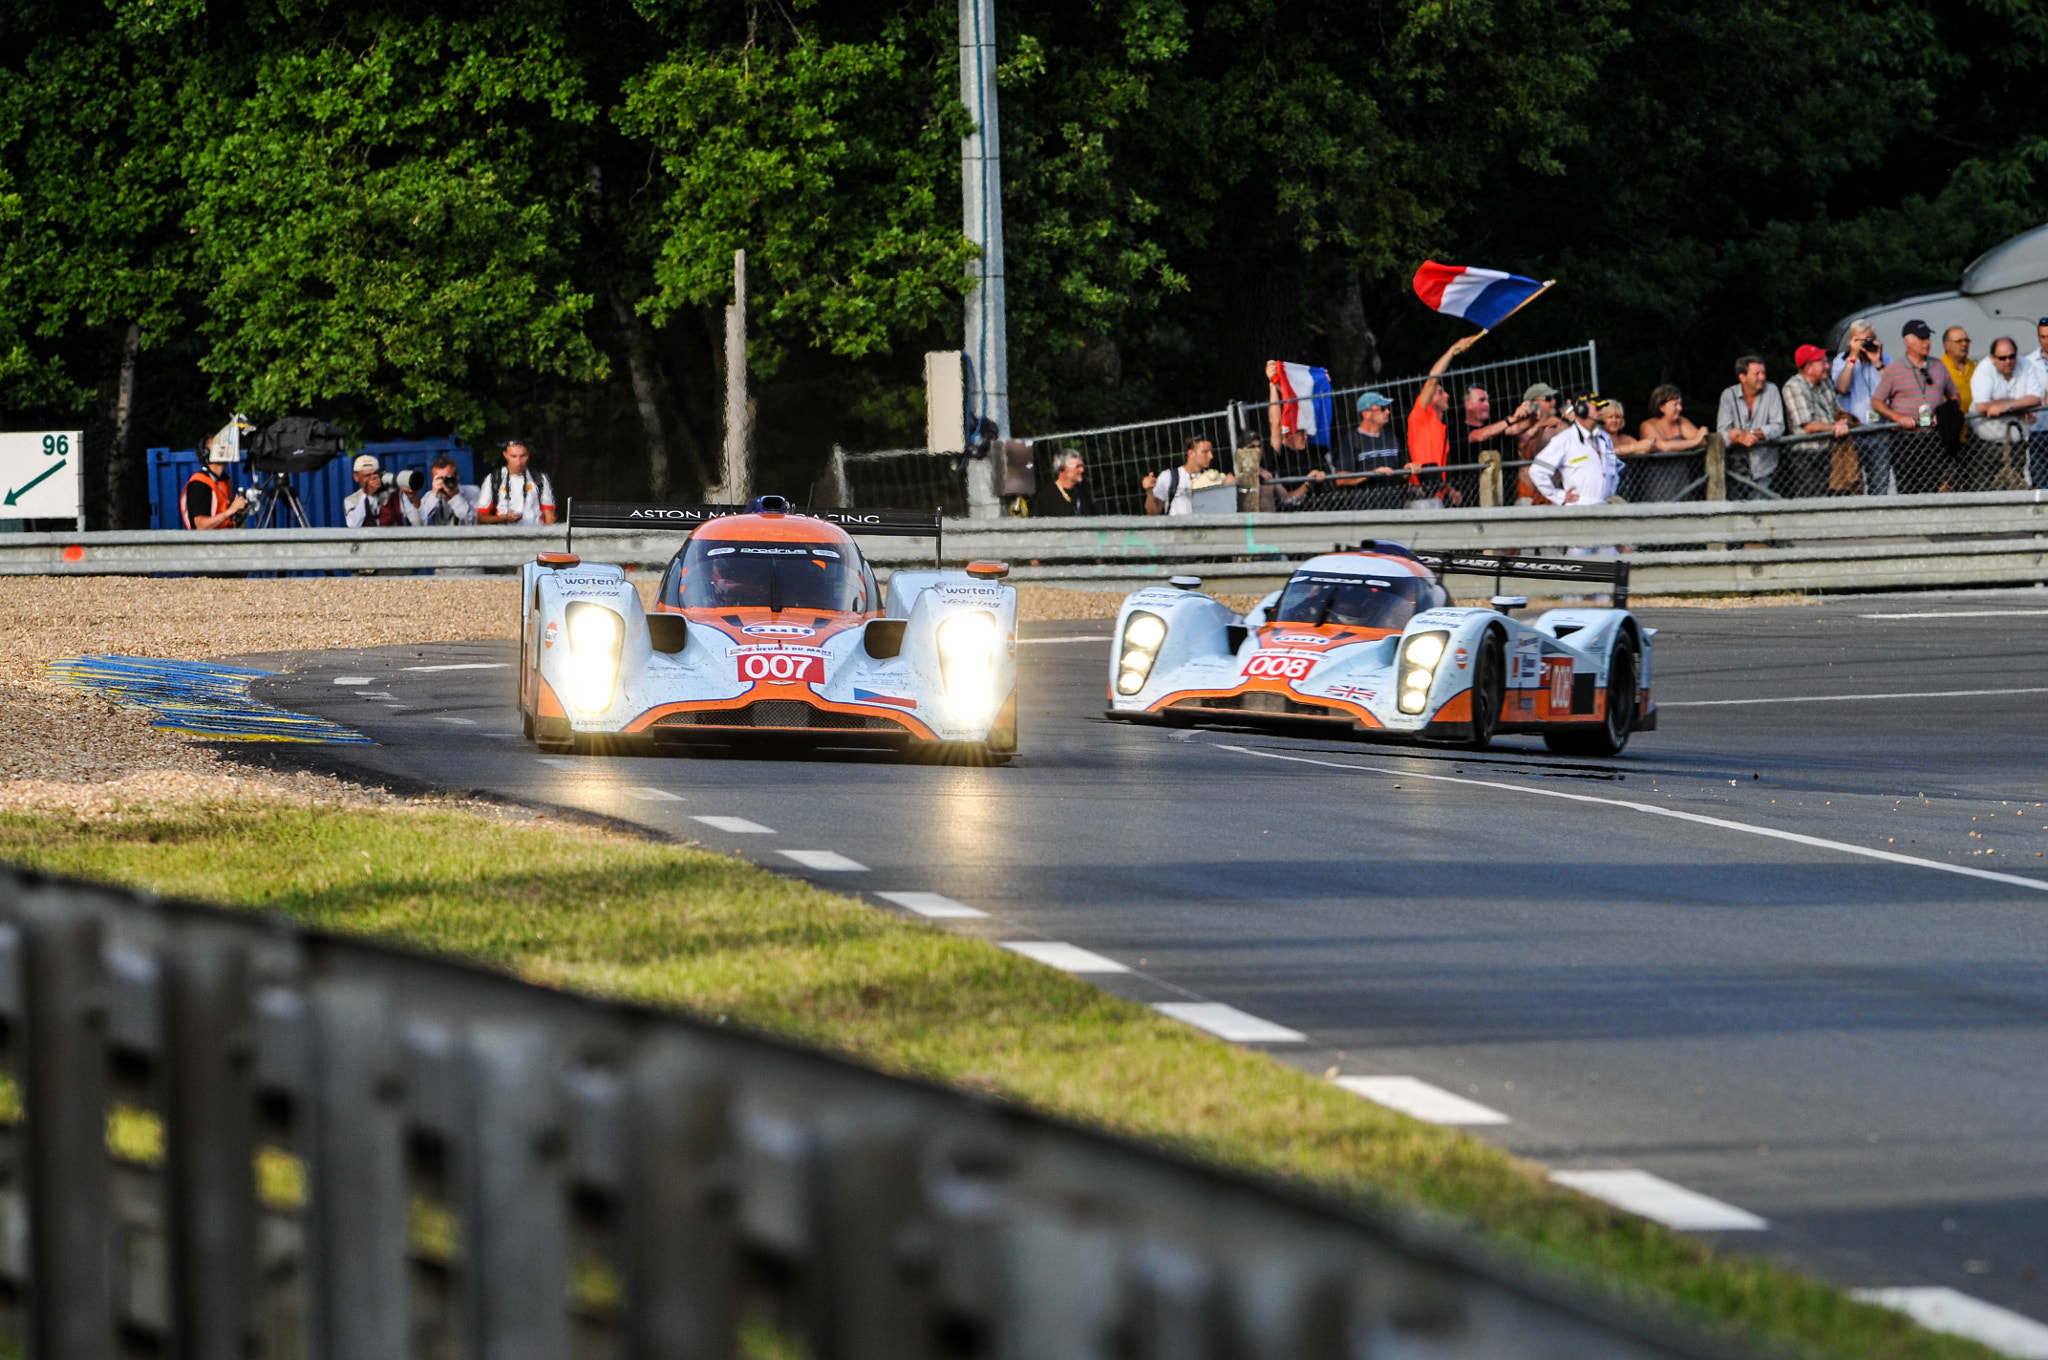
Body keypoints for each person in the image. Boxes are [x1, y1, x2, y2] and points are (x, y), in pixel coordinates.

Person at [1871, 319, 1960, 495]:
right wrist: (1897, 418)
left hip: (1935, 438)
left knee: (1937, 487)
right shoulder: (1894, 369)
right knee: (1909, 490)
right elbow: (1877, 402)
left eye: (1927, 337)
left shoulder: (1938, 365)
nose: (1926, 342)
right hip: (1906, 441)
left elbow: (1954, 396)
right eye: (1921, 338)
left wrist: (1945, 414)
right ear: (1907, 340)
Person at [1405, 334, 1480, 505]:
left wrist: (1449, 489)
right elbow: (1432, 379)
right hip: (1421, 496)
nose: (1447, 394)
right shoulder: (1420, 416)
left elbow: (1439, 469)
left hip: (1435, 495)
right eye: (1440, 392)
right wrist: (1453, 350)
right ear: (1429, 397)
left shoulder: (1441, 428)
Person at [1969, 337, 2047, 490]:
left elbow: (2036, 399)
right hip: (1987, 445)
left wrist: (2006, 406)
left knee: (2018, 484)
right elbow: (1982, 406)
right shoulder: (1984, 369)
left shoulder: (2025, 365)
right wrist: (2020, 407)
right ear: (1993, 358)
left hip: (2018, 443)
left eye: (2011, 356)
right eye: (2002, 358)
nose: (2008, 361)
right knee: (1985, 487)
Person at [1781, 344, 1855, 498]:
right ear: (1808, 368)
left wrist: (1843, 422)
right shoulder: (1793, 386)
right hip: (1808, 456)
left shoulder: (1826, 382)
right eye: (1822, 363)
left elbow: (1839, 411)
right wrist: (1835, 427)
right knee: (1814, 500)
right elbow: (1808, 425)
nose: (1827, 366)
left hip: (1833, 452)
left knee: (1842, 496)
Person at [1529, 396, 1622, 506]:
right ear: (1582, 411)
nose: (1601, 412)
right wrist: (1560, 496)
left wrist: (1610, 492)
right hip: (1578, 510)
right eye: (1597, 409)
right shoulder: (1565, 439)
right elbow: (1537, 471)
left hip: (1604, 508)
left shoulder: (1605, 438)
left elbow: (1613, 470)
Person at [1833, 319, 1891, 495]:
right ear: (1852, 340)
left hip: (1880, 430)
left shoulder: (1885, 359)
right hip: (1853, 434)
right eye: (1862, 340)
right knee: (1853, 486)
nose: (1868, 343)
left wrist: (1877, 363)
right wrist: (1852, 356)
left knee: (1880, 486)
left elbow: (1894, 389)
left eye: (1870, 338)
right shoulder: (1841, 361)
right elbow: (1842, 388)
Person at [1715, 356, 1787, 496]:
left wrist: (1752, 433)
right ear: (1742, 377)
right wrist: (1739, 437)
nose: (1762, 377)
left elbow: (1778, 427)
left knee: (1762, 511)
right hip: (1735, 470)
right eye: (1757, 374)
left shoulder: (1771, 390)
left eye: (1763, 373)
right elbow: (1721, 434)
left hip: (1764, 467)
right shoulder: (1728, 395)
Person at [1633, 386, 1707, 503]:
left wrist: (1696, 440)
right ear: (1661, 407)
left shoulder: (1681, 421)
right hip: (1658, 485)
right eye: (1675, 405)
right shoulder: (1647, 425)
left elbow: (1703, 441)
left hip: (1681, 481)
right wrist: (1694, 442)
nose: (1680, 408)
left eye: (1680, 404)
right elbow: (1662, 446)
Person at [1331, 391, 1404, 509]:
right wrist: (1373, 473)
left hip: (1393, 505)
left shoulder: (1390, 436)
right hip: (1365, 509)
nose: (1387, 412)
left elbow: (1401, 469)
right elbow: (1341, 479)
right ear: (1366, 414)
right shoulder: (1352, 440)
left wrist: (1408, 468)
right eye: (1382, 408)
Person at [1143, 436, 1235, 516]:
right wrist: (1149, 492)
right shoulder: (1169, 477)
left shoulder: (1215, 478)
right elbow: (1153, 513)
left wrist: (1229, 487)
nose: (1211, 456)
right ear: (1191, 453)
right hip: (1177, 532)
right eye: (1205, 452)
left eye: (1211, 451)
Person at [476, 439, 557, 525]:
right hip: (504, 536)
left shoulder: (539, 479)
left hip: (534, 535)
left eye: (522, 456)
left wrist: (548, 535)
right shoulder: (494, 479)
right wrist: (504, 517)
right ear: (505, 455)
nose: (518, 462)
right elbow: (481, 517)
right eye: (513, 456)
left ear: (528, 455)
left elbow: (549, 515)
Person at [181, 435, 247, 529]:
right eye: (218, 447)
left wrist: (240, 514)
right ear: (207, 454)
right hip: (207, 542)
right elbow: (200, 525)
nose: (224, 449)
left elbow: (224, 521)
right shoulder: (199, 483)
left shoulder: (224, 480)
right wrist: (230, 511)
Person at [344, 454, 422, 528]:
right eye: (367, 475)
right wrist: (369, 495)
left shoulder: (395, 495)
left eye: (375, 474)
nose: (372, 478)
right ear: (356, 477)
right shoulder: (351, 500)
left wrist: (415, 500)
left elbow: (417, 525)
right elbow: (354, 526)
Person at [1032, 448, 1096, 516]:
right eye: (1077, 467)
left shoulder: (1083, 493)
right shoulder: (1045, 497)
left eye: (1082, 466)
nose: (1082, 470)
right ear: (1061, 469)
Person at [418, 454, 478, 525]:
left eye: (448, 478)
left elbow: (472, 522)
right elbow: (421, 523)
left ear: (457, 477)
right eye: (440, 478)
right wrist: (434, 495)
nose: (444, 482)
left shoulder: (472, 492)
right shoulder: (429, 497)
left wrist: (455, 497)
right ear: (433, 480)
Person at [1941, 325, 1976, 414]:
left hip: (1976, 424)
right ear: (1946, 345)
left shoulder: (1973, 366)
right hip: (1952, 425)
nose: (1964, 344)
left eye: (1966, 341)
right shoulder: (1939, 368)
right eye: (1959, 341)